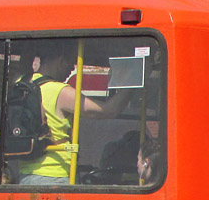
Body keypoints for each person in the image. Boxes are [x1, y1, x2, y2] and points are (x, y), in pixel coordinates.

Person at [18, 42, 128, 185]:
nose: (72, 69)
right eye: (70, 62)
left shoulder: (21, 83)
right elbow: (108, 110)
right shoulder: (60, 91)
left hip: (24, 177)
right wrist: (135, 80)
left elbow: (22, 64)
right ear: (60, 60)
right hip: (54, 177)